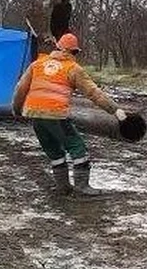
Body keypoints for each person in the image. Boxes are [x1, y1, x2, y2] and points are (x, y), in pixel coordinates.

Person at [12, 32, 128, 197]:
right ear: (74, 52)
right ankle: (82, 187)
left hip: (35, 114)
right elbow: (94, 93)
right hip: (56, 115)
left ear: (57, 47)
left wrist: (17, 110)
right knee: (77, 147)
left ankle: (63, 187)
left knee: (54, 150)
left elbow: (20, 88)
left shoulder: (37, 64)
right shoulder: (73, 68)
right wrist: (115, 110)